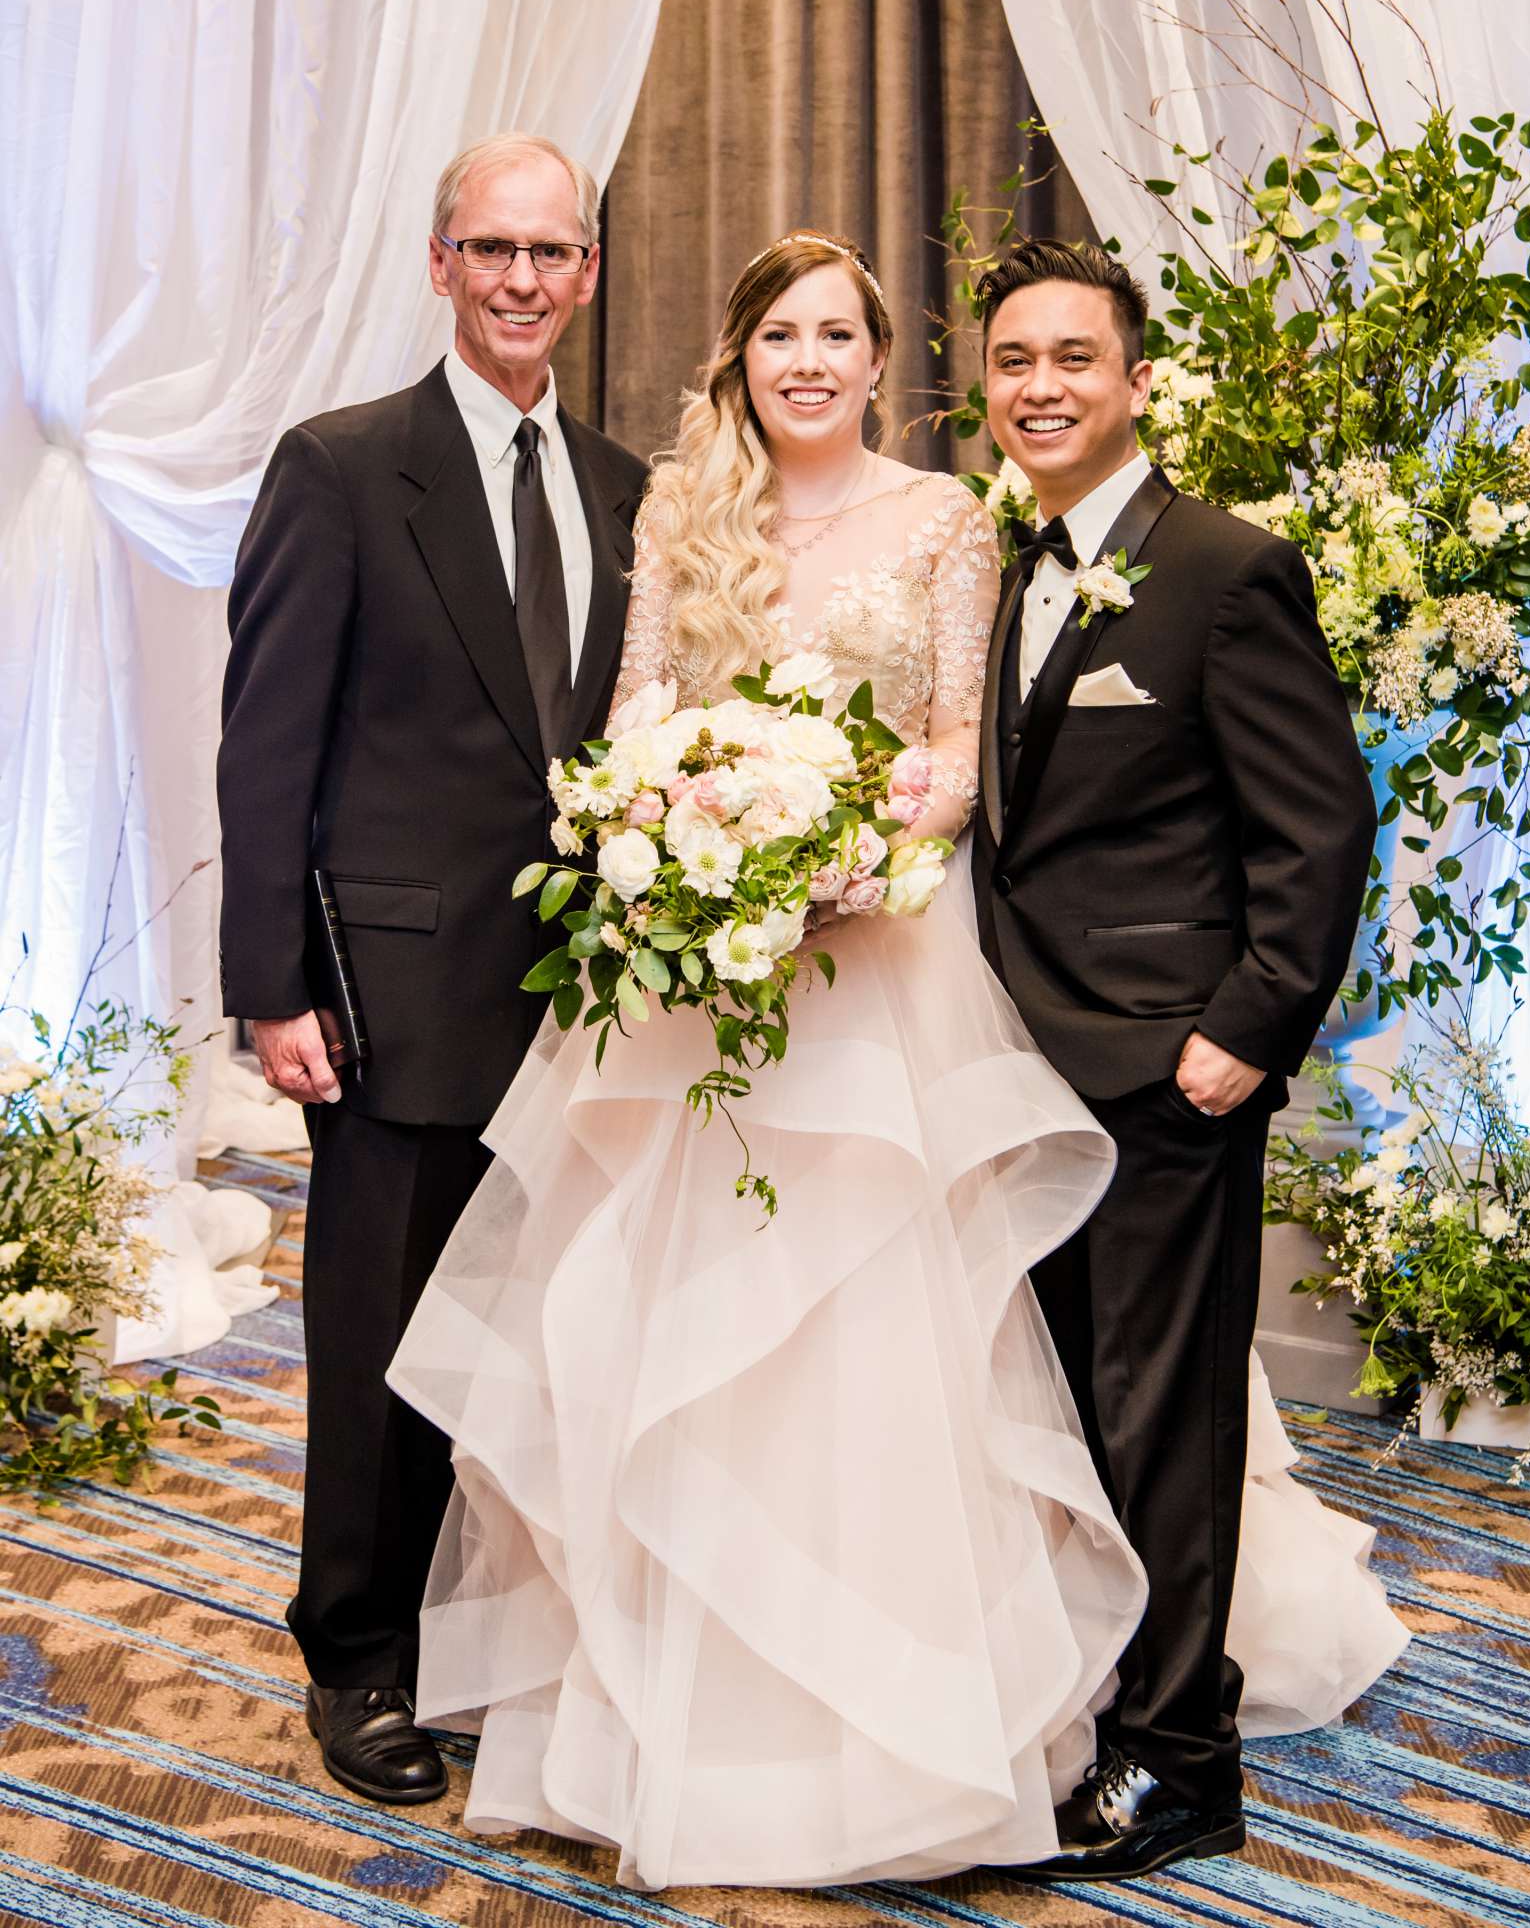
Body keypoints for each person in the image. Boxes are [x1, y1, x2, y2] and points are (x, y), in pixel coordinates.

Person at [389, 231, 1402, 1888]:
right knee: (694, 1345)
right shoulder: (690, 514)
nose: (806, 357)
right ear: (745, 354)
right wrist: (689, 831)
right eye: (776, 329)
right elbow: (645, 719)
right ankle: (692, 1710)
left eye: (838, 332)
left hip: (921, 992)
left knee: (968, 1355)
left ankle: (1083, 1731)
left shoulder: (984, 526)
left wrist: (839, 856)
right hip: (716, 996)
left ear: (881, 364)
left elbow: (975, 753)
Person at [217, 133, 648, 1805]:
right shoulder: (339, 467)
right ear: (438, 260)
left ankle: (495, 1634)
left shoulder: (627, 490)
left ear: (587, 272)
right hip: (392, 997)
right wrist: (274, 985)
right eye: (493, 249)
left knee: (548, 1342)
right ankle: (360, 1654)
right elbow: (269, 745)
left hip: (597, 1008)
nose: (523, 280)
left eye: (552, 252)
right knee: (383, 1342)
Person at [971, 237, 1383, 1883]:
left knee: (1162, 1422)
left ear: (1134, 380)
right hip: (1020, 1064)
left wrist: (1244, 1032)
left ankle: (1177, 1759)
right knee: (1068, 1412)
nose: (1042, 386)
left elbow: (1321, 823)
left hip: (1163, 1073)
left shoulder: (1219, 565)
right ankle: (1104, 1699)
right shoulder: (1010, 564)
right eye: (1014, 360)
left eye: (1074, 357)